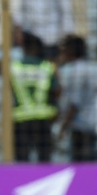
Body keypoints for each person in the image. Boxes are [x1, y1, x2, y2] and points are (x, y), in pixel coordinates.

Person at [11, 32, 58, 162]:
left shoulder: (14, 67)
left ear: (24, 48)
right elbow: (56, 91)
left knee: (21, 159)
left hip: (21, 120)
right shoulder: (47, 67)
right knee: (44, 159)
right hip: (43, 119)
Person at [58, 36, 96, 161]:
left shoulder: (77, 71)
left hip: (82, 125)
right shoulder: (89, 68)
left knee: (82, 162)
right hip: (89, 122)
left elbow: (75, 102)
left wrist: (64, 126)